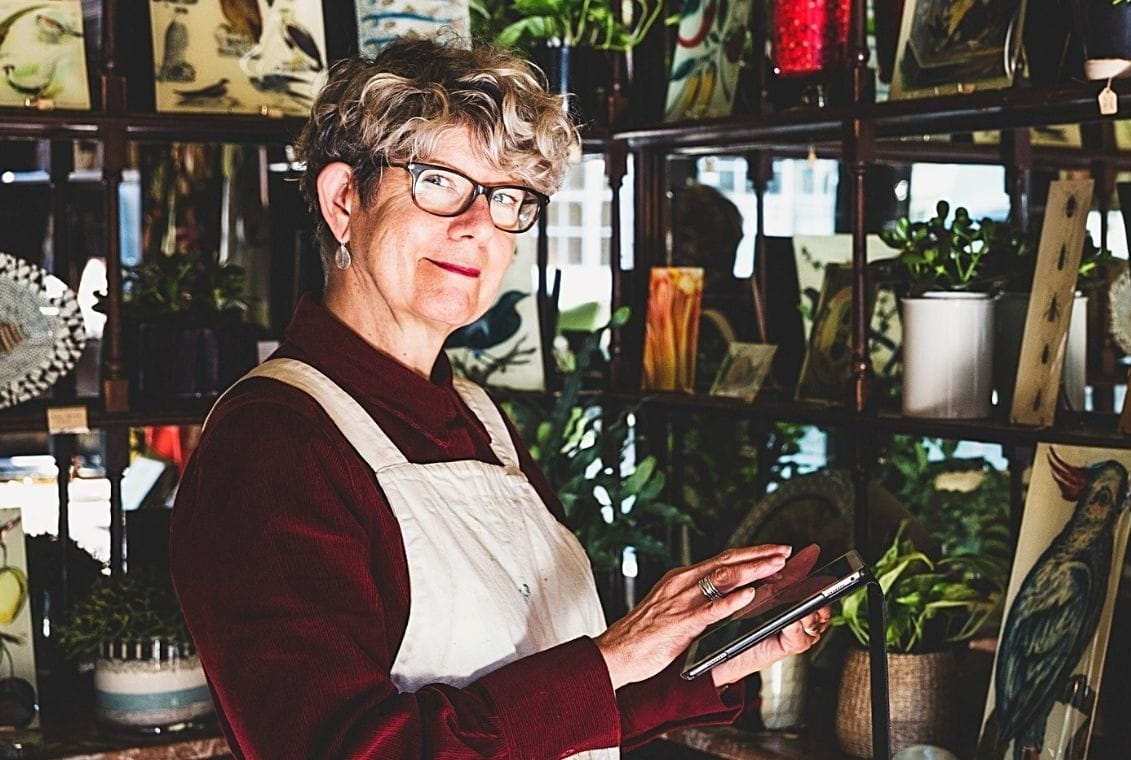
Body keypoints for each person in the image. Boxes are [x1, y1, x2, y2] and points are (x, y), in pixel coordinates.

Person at [169, 39, 829, 759]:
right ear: (343, 199)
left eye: (509, 197)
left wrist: (717, 647)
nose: (478, 224)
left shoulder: (477, 418)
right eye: (439, 181)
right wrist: (613, 656)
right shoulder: (275, 444)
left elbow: (559, 706)